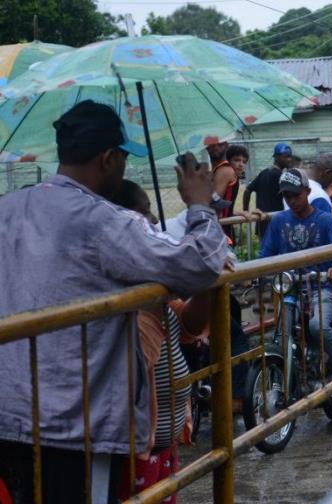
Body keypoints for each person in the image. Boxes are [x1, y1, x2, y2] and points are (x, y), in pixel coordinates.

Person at [0, 100, 227, 504]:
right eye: (122, 158)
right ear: (108, 158)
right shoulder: (103, 220)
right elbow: (200, 265)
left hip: (9, 416)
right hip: (75, 426)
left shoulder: (8, 209)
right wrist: (200, 206)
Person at [110, 181, 210, 503]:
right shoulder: (124, 299)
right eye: (143, 213)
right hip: (135, 457)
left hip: (162, 450)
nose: (153, 221)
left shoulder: (152, 291)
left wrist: (209, 283)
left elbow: (188, 324)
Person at [258, 169, 332, 378]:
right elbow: (265, 253)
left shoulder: (325, 220)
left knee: (317, 325)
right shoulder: (278, 221)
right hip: (289, 289)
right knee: (281, 332)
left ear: (307, 191)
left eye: (296, 195)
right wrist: (251, 274)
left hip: (322, 287)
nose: (292, 200)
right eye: (287, 196)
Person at [243, 143, 292, 237]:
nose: (289, 159)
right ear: (276, 157)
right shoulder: (282, 177)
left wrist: (245, 209)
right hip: (276, 222)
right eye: (285, 157)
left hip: (262, 222)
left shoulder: (264, 173)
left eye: (290, 157)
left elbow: (247, 190)